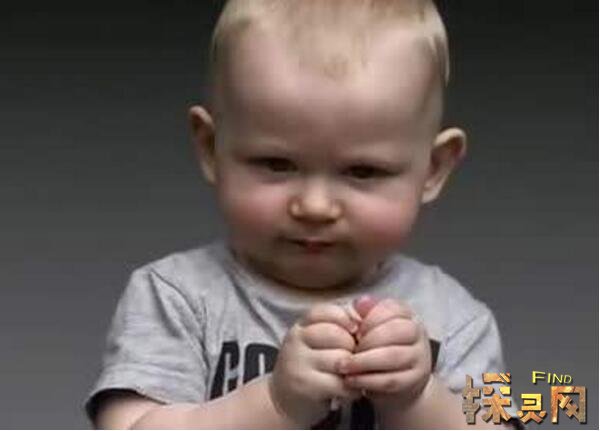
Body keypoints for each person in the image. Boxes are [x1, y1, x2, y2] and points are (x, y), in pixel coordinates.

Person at [85, 0, 519, 428]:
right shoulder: (175, 299)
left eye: (362, 171)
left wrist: (419, 400)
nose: (315, 207)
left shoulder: (456, 320)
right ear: (211, 148)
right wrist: (274, 404)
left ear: (434, 168)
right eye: (276, 164)